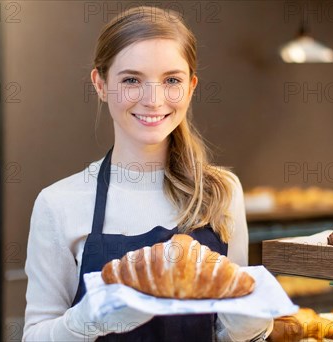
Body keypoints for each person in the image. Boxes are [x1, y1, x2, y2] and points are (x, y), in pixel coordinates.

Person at [23, 5, 273, 341]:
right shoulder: (58, 204)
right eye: (131, 80)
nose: (153, 100)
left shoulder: (221, 191)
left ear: (191, 86)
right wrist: (86, 322)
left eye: (171, 80)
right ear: (100, 84)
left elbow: (225, 331)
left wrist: (249, 327)